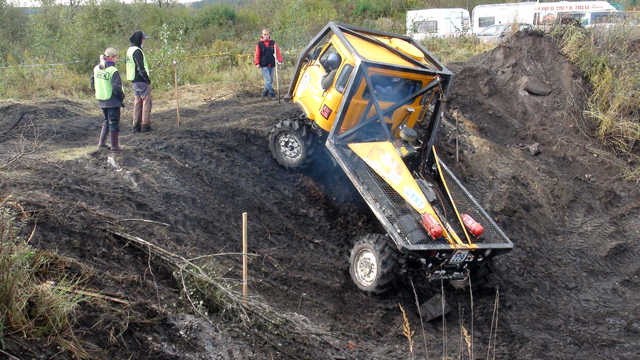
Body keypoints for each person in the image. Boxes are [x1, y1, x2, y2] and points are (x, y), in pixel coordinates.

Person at [90, 47, 125, 152]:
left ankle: (102, 143)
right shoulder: (113, 70)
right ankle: (115, 146)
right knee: (114, 122)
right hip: (112, 100)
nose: (117, 60)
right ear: (111, 57)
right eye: (116, 57)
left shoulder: (96, 68)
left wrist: (98, 92)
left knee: (106, 120)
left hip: (101, 98)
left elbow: (92, 83)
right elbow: (116, 88)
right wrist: (121, 97)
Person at [126, 30, 152, 132]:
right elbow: (141, 68)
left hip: (133, 80)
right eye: (143, 39)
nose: (144, 41)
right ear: (140, 39)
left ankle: (135, 125)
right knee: (146, 101)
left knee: (137, 101)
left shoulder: (130, 50)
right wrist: (148, 80)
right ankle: (145, 124)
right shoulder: (137, 51)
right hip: (140, 80)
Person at [254, 29, 282, 99]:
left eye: (267, 34)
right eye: (264, 34)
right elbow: (257, 54)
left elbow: (277, 52)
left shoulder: (273, 43)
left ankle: (264, 93)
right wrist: (257, 63)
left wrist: (280, 60)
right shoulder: (259, 44)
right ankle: (272, 94)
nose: (266, 36)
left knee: (270, 80)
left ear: (269, 34)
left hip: (271, 64)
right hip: (264, 64)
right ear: (262, 35)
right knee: (268, 80)